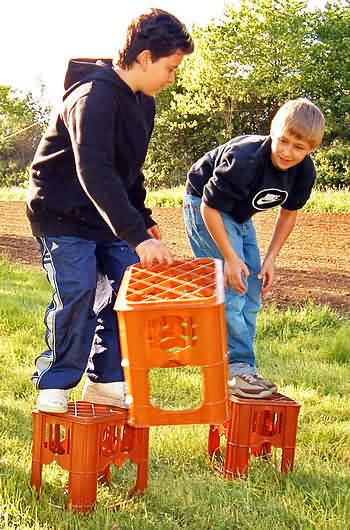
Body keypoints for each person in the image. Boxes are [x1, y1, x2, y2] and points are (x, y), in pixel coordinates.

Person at [26, 8, 194, 413]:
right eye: (170, 68)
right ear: (145, 57)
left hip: (105, 217)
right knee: (80, 290)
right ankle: (57, 382)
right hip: (61, 213)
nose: (172, 78)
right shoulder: (92, 97)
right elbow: (96, 172)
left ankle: (105, 381)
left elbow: (127, 172)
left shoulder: (144, 104)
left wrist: (145, 220)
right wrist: (134, 235)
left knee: (128, 287)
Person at [183, 98, 325, 398]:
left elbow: (288, 213)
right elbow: (209, 208)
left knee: (253, 286)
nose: (288, 152)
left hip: (238, 213)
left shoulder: (303, 172)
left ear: (311, 149)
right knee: (232, 286)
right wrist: (231, 259)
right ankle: (236, 371)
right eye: (283, 141)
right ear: (272, 131)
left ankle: (245, 367)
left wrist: (271, 260)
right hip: (204, 206)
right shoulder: (245, 158)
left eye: (299, 148)